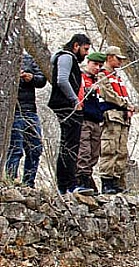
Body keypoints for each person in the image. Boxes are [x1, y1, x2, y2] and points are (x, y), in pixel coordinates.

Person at [48, 33, 91, 194]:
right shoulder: (67, 58)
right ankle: (69, 185)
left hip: (67, 105)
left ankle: (65, 185)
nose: (86, 53)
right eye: (85, 49)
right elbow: (62, 80)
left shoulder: (67, 58)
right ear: (76, 46)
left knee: (68, 145)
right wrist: (75, 101)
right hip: (66, 107)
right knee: (70, 146)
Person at [5, 52, 47, 188]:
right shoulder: (5, 56)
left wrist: (31, 78)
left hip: (30, 111)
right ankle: (10, 182)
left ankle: (28, 183)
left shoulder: (28, 59)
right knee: (15, 149)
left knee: (36, 148)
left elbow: (42, 80)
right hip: (12, 111)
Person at [97, 46, 135, 194]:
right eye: (118, 58)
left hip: (123, 117)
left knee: (121, 150)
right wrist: (124, 104)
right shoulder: (103, 75)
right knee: (109, 148)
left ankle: (117, 180)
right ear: (110, 57)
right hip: (111, 116)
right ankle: (107, 181)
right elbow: (108, 94)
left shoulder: (117, 77)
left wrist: (128, 108)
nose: (120, 61)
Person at [75, 51, 106, 194]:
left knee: (94, 153)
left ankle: (88, 176)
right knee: (84, 150)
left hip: (96, 120)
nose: (97, 68)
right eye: (95, 64)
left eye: (100, 65)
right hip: (84, 119)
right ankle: (82, 179)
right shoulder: (80, 77)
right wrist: (89, 90)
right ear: (88, 62)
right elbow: (79, 95)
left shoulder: (98, 80)